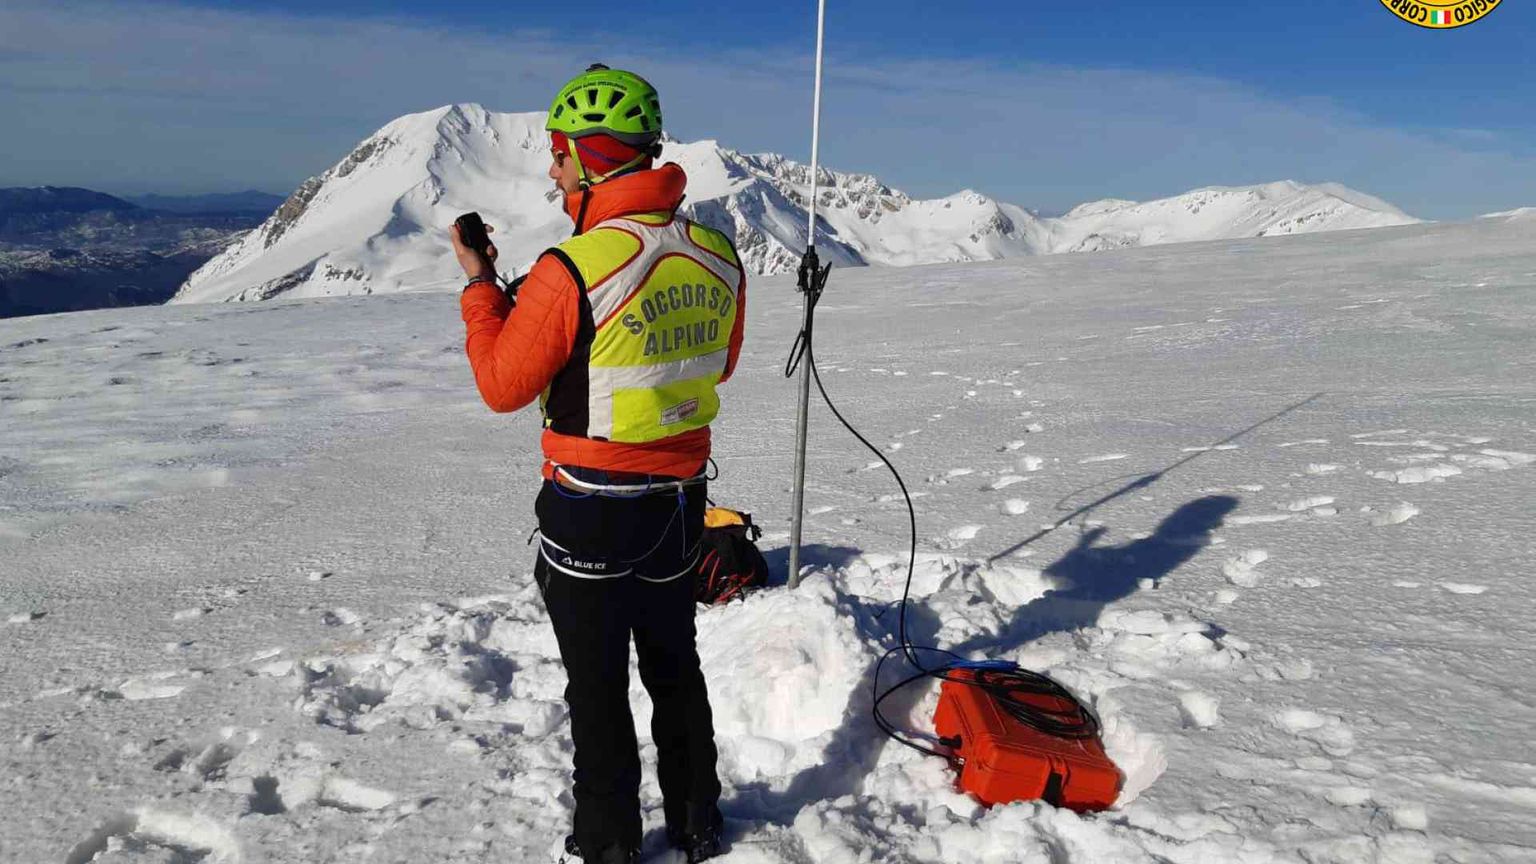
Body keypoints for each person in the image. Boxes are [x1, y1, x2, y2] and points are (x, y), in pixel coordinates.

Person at [451, 64, 746, 864]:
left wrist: (481, 288)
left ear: (591, 156)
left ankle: (610, 842)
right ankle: (696, 821)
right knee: (674, 665)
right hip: (680, 503)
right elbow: (714, 365)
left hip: (590, 504)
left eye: (558, 155)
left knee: (598, 686)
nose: (552, 172)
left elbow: (503, 385)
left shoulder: (573, 266)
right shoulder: (717, 255)